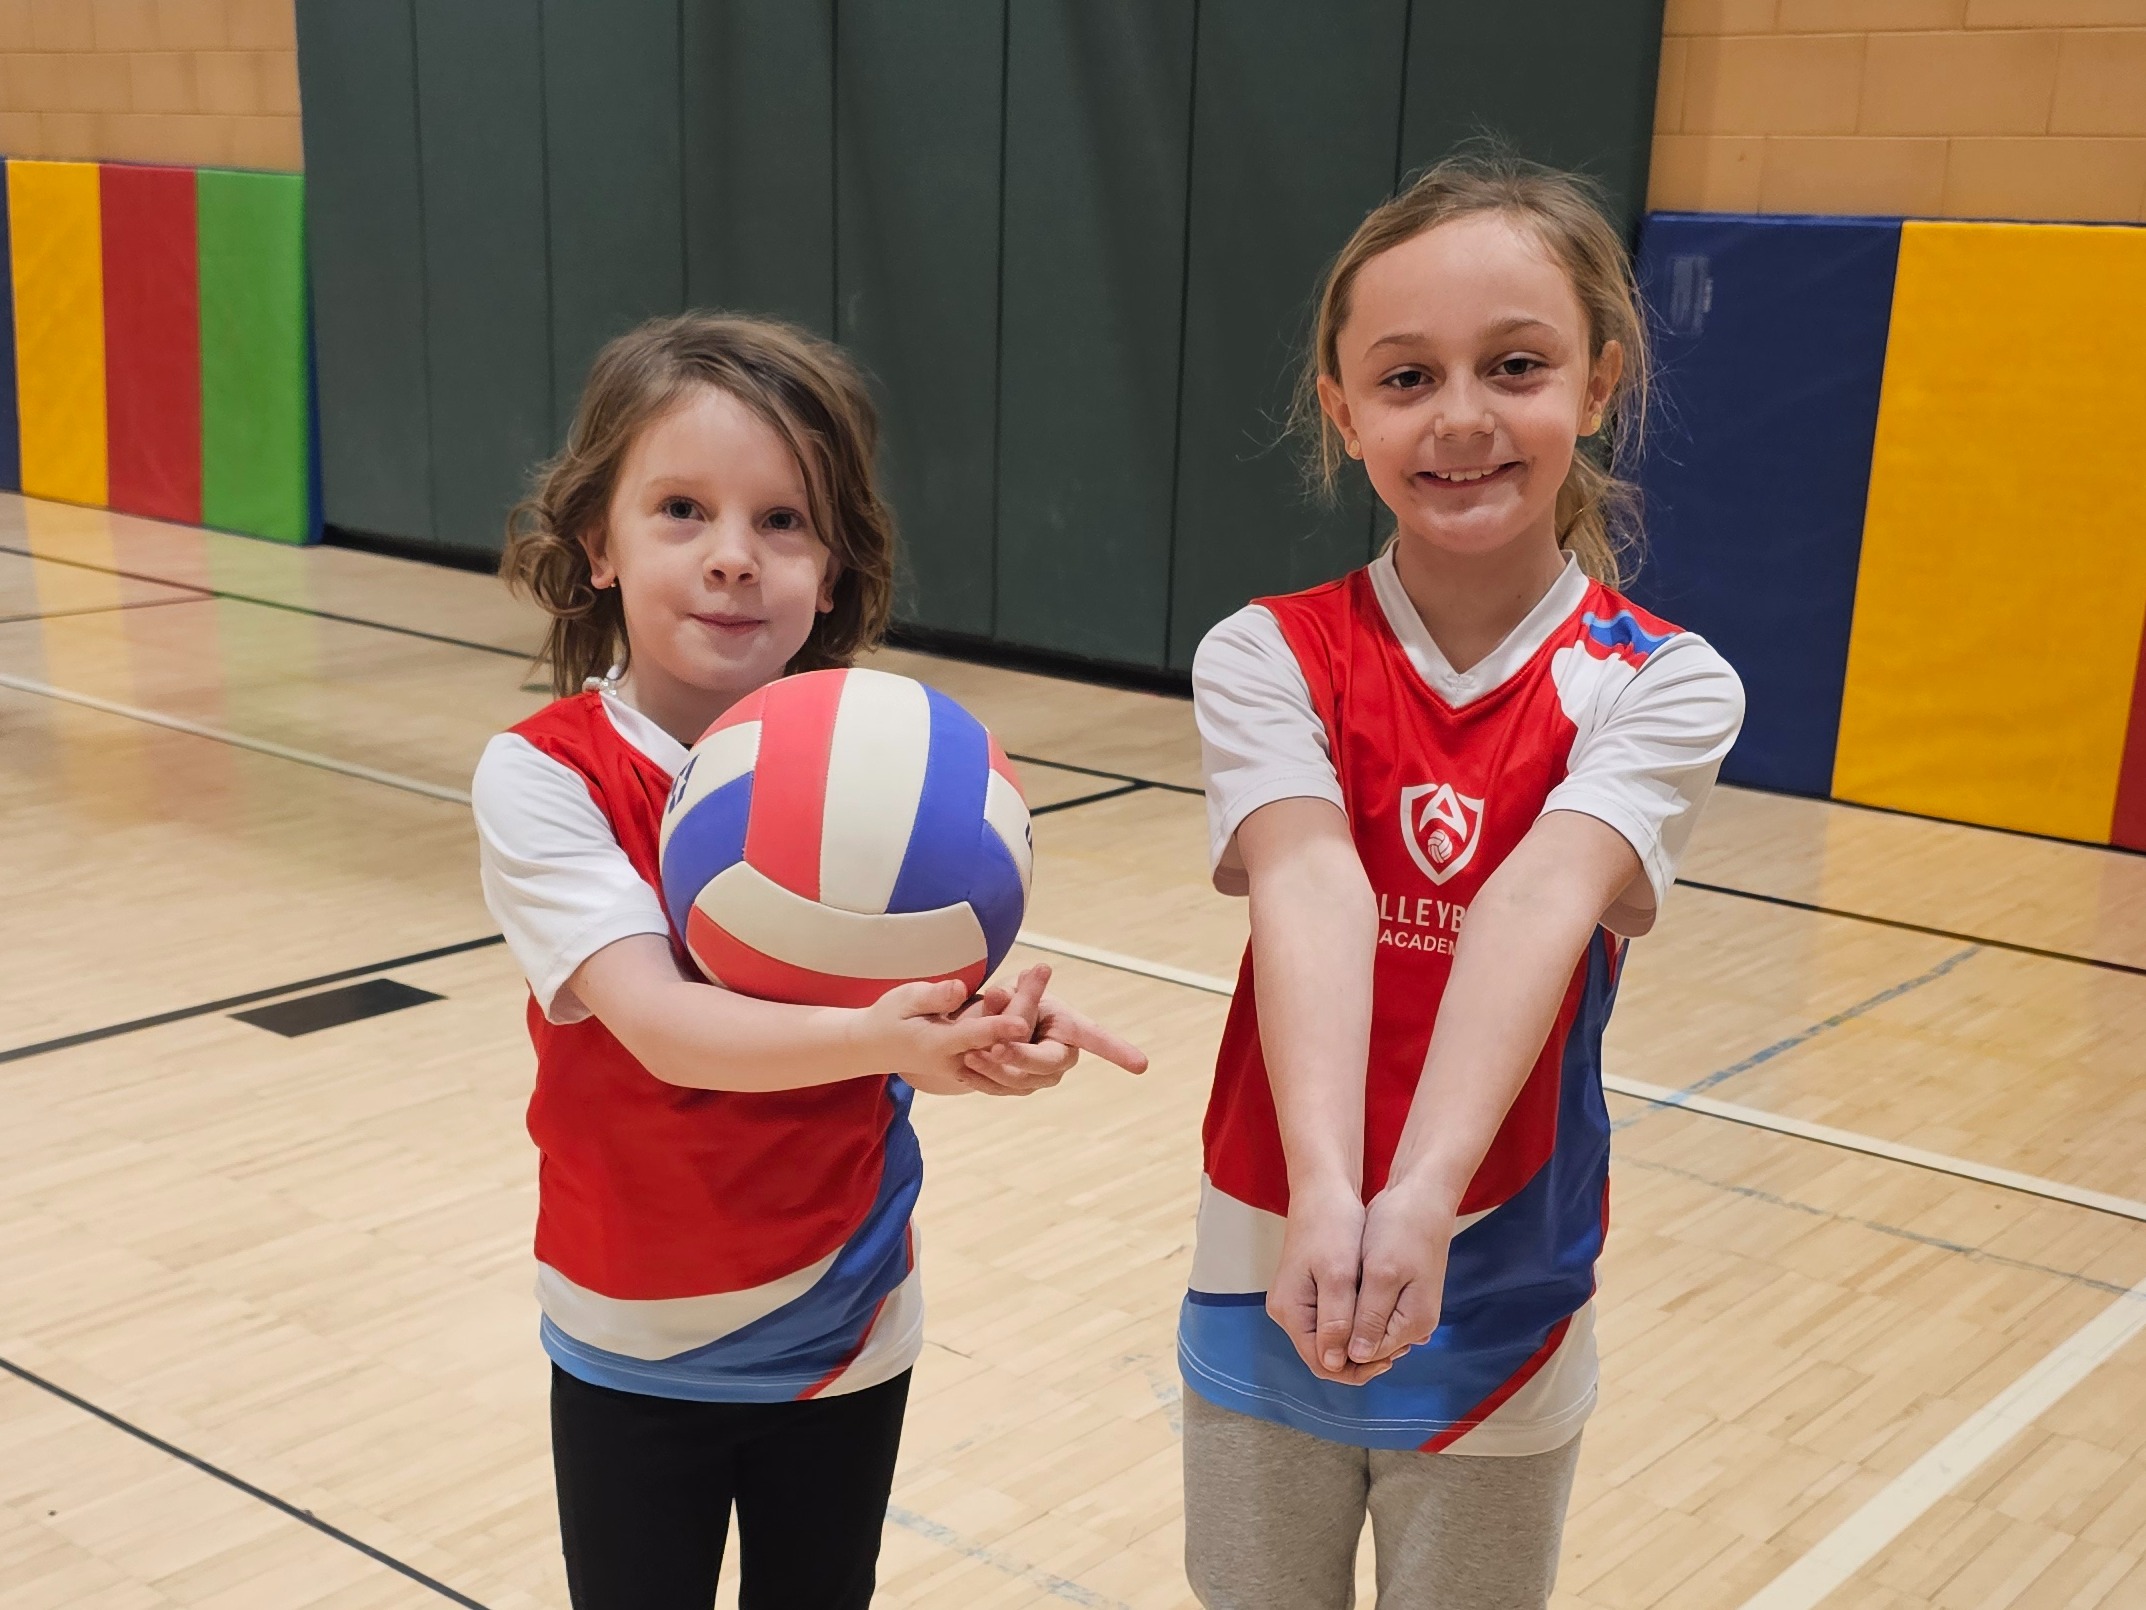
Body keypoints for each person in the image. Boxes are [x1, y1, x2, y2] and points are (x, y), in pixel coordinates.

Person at [471, 312, 1146, 1610]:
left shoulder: (888, 759)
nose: (734, 556)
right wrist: (881, 1038)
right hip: (634, 1330)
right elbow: (660, 1022)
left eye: (782, 521)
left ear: (832, 571)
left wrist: (974, 1033)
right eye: (682, 509)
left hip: (845, 1314)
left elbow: (892, 1012)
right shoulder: (545, 775)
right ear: (599, 544)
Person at [1178, 153, 1745, 1608]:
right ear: (1342, 412)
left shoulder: (1662, 682)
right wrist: (1326, 1195)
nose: (1461, 417)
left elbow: (1537, 902)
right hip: (1268, 1234)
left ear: (1598, 383)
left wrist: (1420, 1202)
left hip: (1503, 1264)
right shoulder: (1267, 652)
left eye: (1515, 365)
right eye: (1406, 377)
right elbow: (1313, 889)